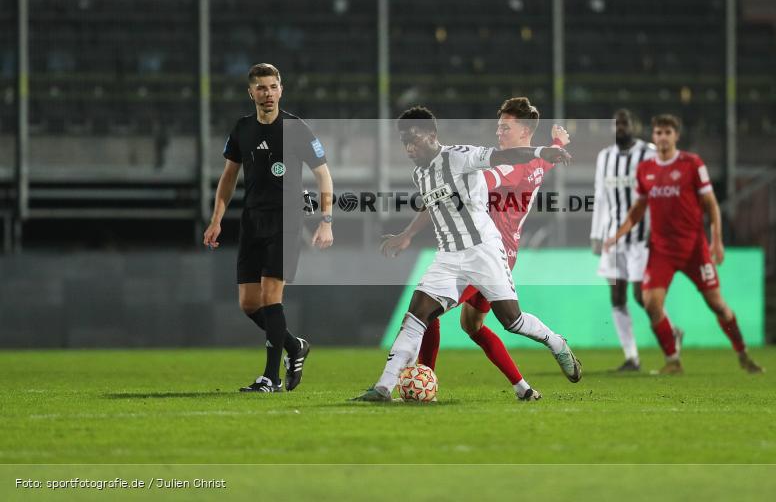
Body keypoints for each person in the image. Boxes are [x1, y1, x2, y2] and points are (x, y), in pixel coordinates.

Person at [351, 105, 582, 402]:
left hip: (488, 251)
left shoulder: (484, 163)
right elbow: (440, 198)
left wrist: (543, 150)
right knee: (432, 317)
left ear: (525, 131)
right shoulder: (422, 172)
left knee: (510, 320)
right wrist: (556, 145)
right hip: (450, 255)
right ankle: (384, 387)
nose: (498, 132)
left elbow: (504, 163)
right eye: (498, 126)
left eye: (505, 128)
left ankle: (554, 343)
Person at [203, 63, 334, 393]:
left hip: (286, 221)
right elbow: (228, 177)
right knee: (249, 303)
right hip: (252, 220)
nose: (268, 93)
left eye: (273, 86)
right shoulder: (242, 129)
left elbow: (323, 174)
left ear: (281, 89)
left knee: (271, 296)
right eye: (261, 88)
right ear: (251, 93)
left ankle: (271, 378)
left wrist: (326, 220)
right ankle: (294, 346)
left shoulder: (296, 128)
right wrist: (217, 219)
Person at [604, 114, 763, 375]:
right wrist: (617, 235)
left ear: (676, 135)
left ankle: (743, 352)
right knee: (651, 303)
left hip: (693, 248)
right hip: (661, 249)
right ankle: (673, 361)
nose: (663, 137)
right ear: (653, 137)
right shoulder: (645, 170)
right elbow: (637, 209)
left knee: (717, 304)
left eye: (668, 132)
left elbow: (711, 205)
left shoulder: (691, 163)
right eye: (658, 133)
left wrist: (717, 241)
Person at [590, 109, 661, 372]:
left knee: (642, 297)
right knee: (617, 297)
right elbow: (599, 196)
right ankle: (632, 357)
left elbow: (659, 193)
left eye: (625, 123)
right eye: (616, 124)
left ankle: (669, 332)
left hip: (643, 237)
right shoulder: (604, 157)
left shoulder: (649, 153)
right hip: (612, 238)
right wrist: (596, 235)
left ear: (634, 125)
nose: (620, 127)